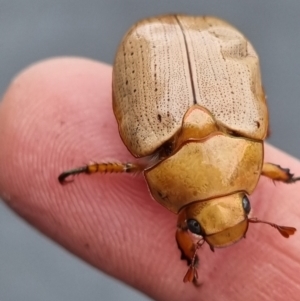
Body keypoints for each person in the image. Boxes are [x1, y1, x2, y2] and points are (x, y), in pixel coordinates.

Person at [0, 57, 299, 301]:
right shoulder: (250, 159)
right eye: (243, 206)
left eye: (197, 225)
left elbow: (259, 167)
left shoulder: (247, 158)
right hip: (184, 57)